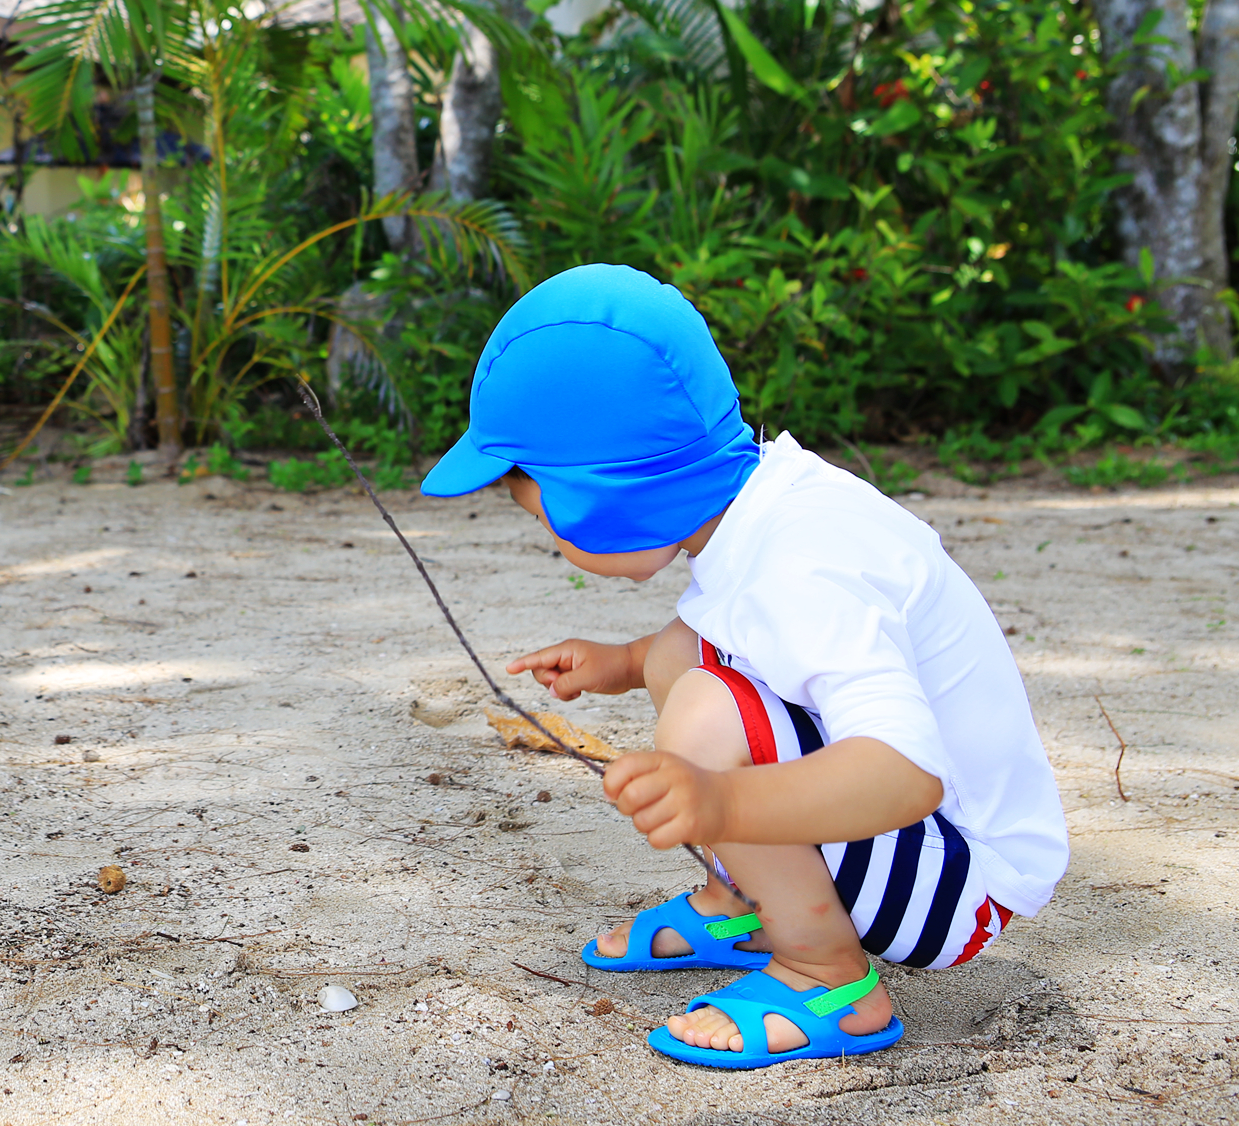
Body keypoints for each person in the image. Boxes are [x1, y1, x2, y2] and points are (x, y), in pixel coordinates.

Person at [419, 264, 1068, 1069]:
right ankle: (750, 905)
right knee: (687, 660)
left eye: (542, 512)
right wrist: (622, 662)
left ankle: (828, 975)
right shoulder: (765, 502)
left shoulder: (802, 569)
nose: (550, 540)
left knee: (706, 709)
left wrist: (723, 802)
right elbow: (706, 636)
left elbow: (908, 775)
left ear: (608, 496)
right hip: (919, 846)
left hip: (961, 876)